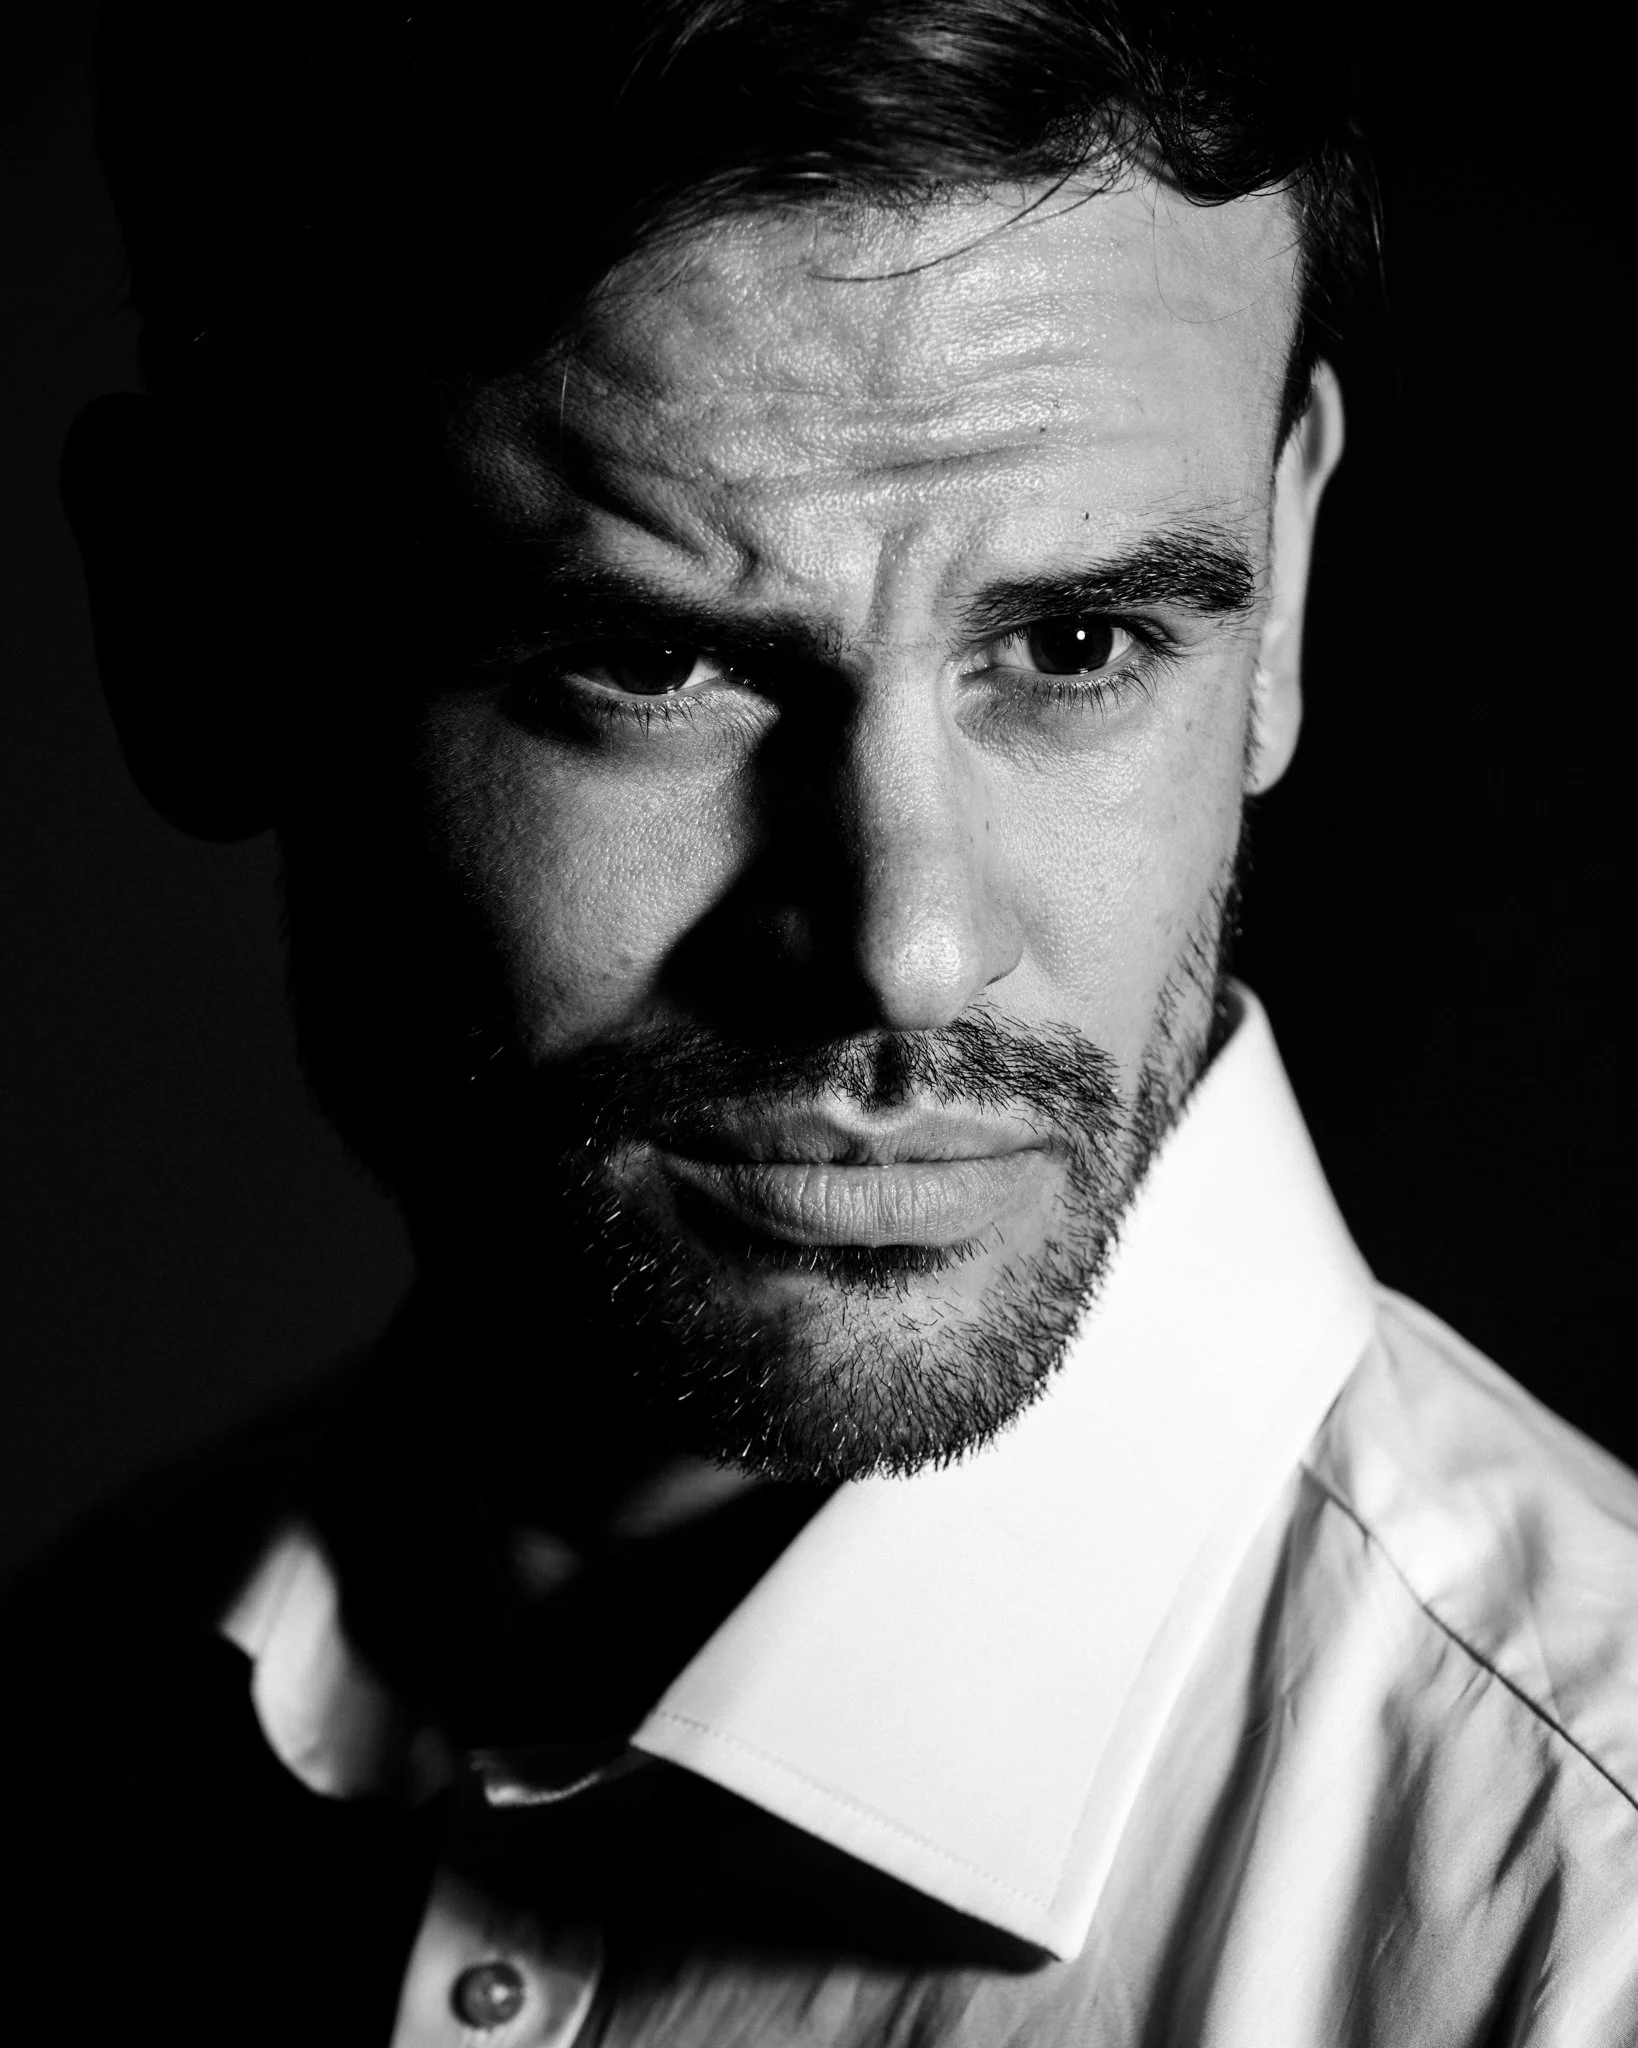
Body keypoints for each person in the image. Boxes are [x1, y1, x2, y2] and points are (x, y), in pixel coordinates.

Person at [5, 1, 1634, 2041]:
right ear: (196, 619)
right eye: (654, 666)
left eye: (1076, 642)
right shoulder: (60, 1748)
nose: (908, 949)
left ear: (1284, 581)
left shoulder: (1587, 1925)